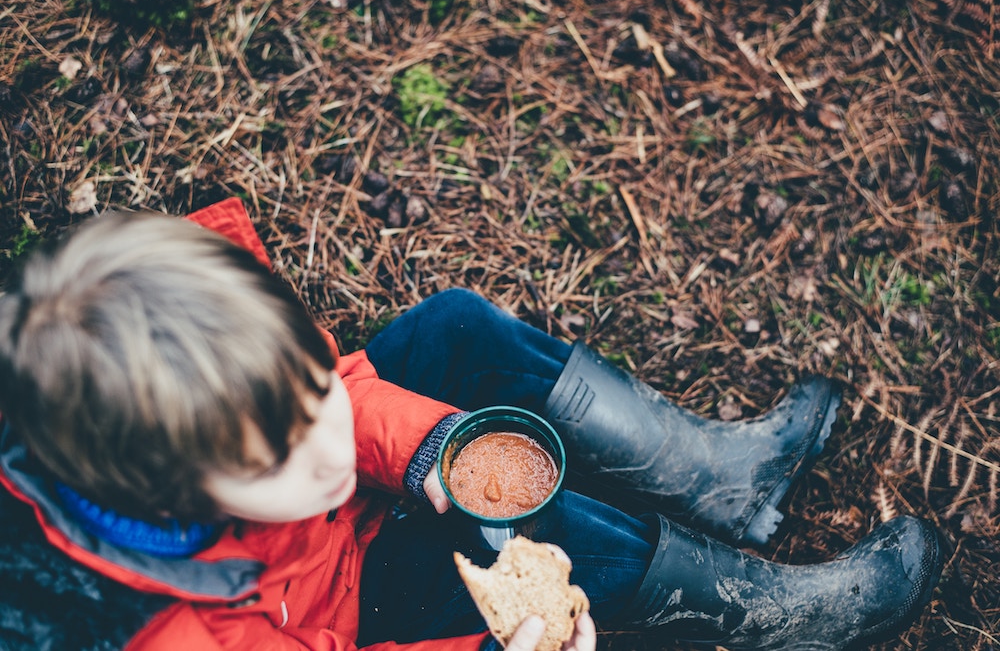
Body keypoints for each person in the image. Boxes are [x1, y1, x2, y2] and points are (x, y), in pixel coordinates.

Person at [0, 198, 943, 651]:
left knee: (455, 330)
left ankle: (725, 479)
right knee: (554, 545)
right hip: (345, 619)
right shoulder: (170, 634)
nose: (328, 446)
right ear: (170, 495)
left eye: (310, 398)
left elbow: (342, 385)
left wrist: (422, 453)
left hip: (339, 532)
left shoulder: (194, 349)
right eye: (285, 452)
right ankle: (774, 620)